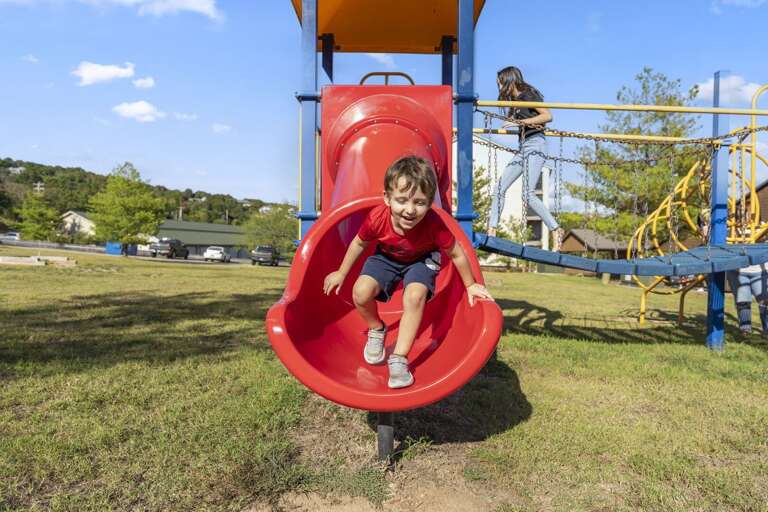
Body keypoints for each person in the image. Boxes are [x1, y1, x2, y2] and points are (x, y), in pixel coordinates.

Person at [323, 156, 494, 389]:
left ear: (430, 203)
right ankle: (377, 329)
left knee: (414, 295)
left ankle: (399, 358)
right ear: (387, 198)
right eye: (401, 200)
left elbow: (456, 254)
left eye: (420, 202)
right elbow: (359, 243)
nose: (410, 210)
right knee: (361, 293)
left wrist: (470, 284)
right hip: (387, 256)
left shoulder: (434, 225)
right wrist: (342, 273)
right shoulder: (377, 218)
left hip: (422, 260)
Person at [489, 66, 564, 249]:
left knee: (527, 194)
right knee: (499, 188)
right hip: (523, 148)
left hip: (536, 144)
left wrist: (520, 122)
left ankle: (555, 229)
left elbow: (547, 116)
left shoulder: (528, 95)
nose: (498, 87)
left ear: (508, 80)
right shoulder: (515, 102)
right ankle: (491, 230)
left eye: (500, 82)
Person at [727, 263, 768, 336]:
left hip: (761, 271)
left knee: (764, 302)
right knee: (743, 302)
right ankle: (746, 330)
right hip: (736, 271)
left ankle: (766, 330)